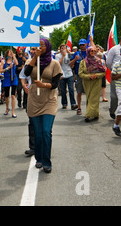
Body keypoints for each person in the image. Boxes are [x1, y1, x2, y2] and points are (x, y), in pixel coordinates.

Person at [24, 39, 62, 173]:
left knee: (46, 131)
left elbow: (55, 84)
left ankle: (47, 161)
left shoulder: (55, 63)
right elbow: (27, 73)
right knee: (38, 133)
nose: (40, 47)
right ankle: (38, 158)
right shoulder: (31, 61)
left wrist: (44, 85)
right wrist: (35, 57)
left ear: (48, 47)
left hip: (49, 99)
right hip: (34, 99)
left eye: (42, 45)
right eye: (38, 45)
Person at [79, 46, 106, 122]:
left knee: (93, 98)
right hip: (87, 82)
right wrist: (89, 76)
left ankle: (88, 114)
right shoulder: (83, 62)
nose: (93, 53)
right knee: (89, 97)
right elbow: (80, 73)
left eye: (94, 51)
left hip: (97, 81)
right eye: (92, 51)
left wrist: (96, 75)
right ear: (88, 52)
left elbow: (103, 72)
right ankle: (95, 113)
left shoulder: (99, 61)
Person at [19, 47, 35, 156]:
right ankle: (33, 147)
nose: (33, 51)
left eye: (36, 49)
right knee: (32, 121)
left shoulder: (48, 62)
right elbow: (22, 76)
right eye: (32, 49)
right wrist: (24, 85)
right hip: (30, 95)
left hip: (43, 95)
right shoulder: (28, 62)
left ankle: (44, 146)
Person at [55, 44, 78, 110]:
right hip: (62, 75)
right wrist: (62, 56)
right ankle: (64, 103)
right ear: (60, 49)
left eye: (64, 48)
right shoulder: (57, 56)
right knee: (63, 90)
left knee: (71, 89)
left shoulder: (69, 55)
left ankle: (73, 103)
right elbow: (59, 64)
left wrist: (69, 54)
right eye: (62, 48)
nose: (63, 49)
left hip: (69, 74)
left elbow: (72, 64)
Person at [70, 39, 88, 115]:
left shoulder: (89, 52)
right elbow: (70, 64)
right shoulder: (76, 53)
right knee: (79, 92)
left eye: (83, 44)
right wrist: (75, 59)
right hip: (79, 76)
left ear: (86, 44)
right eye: (80, 45)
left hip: (87, 76)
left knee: (88, 93)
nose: (81, 46)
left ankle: (89, 108)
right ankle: (79, 107)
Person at [0, 49, 18, 117]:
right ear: (7, 54)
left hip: (13, 78)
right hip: (7, 79)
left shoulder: (13, 61)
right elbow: (1, 71)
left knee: (13, 96)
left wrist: (13, 56)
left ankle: (13, 112)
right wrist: (7, 68)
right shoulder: (3, 61)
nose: (11, 53)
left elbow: (17, 63)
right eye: (10, 52)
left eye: (11, 52)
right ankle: (7, 108)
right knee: (7, 96)